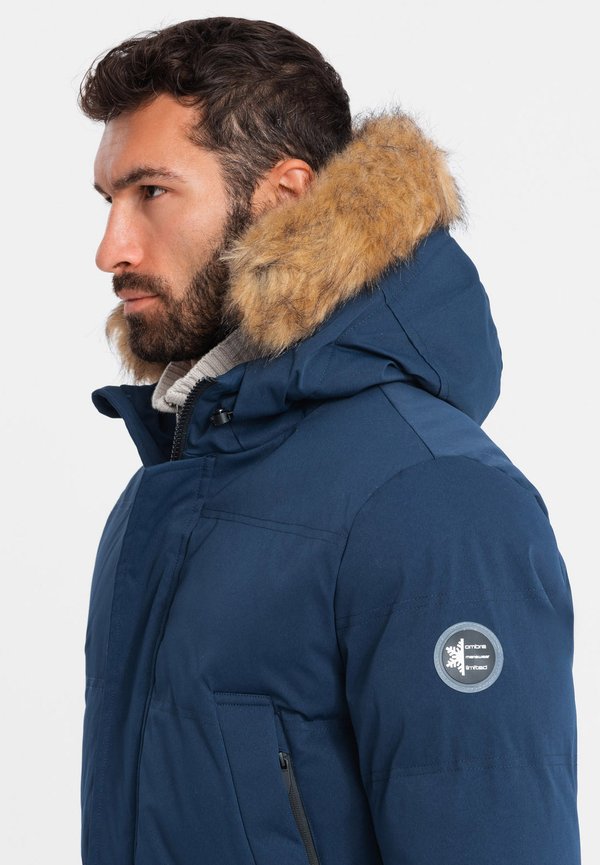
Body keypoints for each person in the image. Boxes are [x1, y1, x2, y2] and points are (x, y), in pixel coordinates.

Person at [79, 16, 581, 865]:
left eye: (151, 193)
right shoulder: (162, 490)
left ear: (284, 198)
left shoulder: (437, 502)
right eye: (108, 202)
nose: (110, 249)